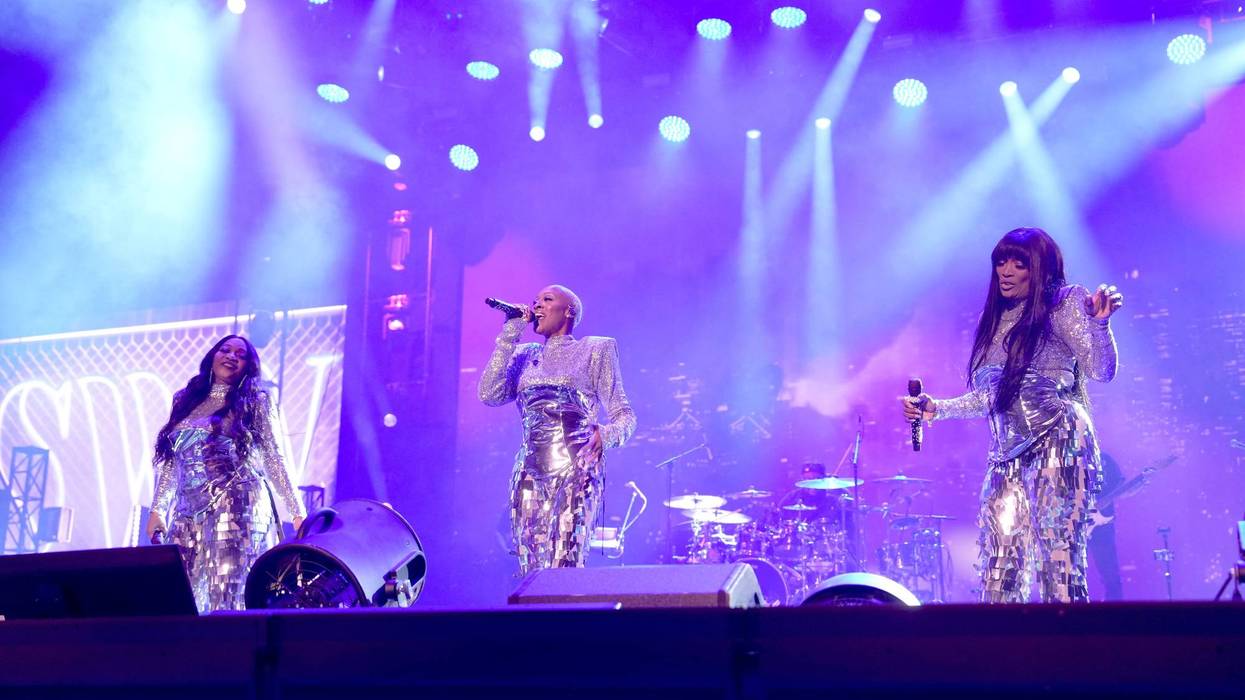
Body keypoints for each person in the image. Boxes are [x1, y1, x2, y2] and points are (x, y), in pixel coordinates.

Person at [901, 227, 1123, 603]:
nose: (1005, 270)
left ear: (1038, 268)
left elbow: (1101, 370)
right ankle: (1004, 652)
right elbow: (990, 398)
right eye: (1000, 262)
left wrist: (1100, 326)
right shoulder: (996, 320)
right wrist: (936, 407)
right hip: (1006, 457)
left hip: (1059, 439)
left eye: (1018, 263)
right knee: (999, 566)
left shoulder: (1064, 302)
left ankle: (1068, 651)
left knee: (1058, 560)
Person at [479, 285, 636, 574]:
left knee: (564, 561)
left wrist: (609, 434)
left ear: (569, 310)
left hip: (577, 467)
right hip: (529, 471)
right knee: (531, 567)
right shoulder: (525, 354)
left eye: (546, 300)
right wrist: (509, 332)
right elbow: (489, 393)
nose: (537, 305)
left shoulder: (595, 349)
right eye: (534, 301)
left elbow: (624, 414)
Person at [146, 335, 305, 613]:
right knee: (180, 598)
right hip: (186, 511)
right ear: (213, 356)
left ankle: (231, 653)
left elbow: (274, 458)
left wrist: (298, 512)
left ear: (248, 366)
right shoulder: (184, 400)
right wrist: (157, 509)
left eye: (240, 354)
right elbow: (173, 460)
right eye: (225, 349)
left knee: (227, 592)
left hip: (237, 502)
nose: (231, 356)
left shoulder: (256, 401)